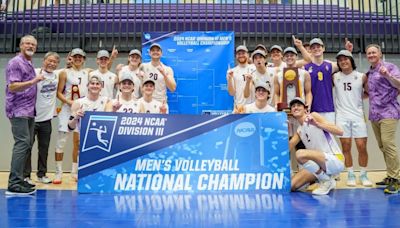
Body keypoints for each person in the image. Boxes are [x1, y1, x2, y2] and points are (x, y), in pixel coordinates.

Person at [5, 35, 43, 195]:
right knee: (22, 144)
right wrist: (34, 81)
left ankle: (20, 179)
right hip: (18, 110)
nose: (31, 46)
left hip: (28, 111)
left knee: (26, 144)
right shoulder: (15, 62)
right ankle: (14, 183)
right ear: (21, 45)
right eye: (27, 43)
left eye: (33, 44)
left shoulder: (28, 62)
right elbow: (12, 86)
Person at [289, 97, 344, 195]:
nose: (296, 107)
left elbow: (340, 131)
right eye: (293, 106)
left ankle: (326, 181)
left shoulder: (314, 116)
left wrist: (318, 124)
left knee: (300, 154)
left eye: (298, 105)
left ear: (305, 109)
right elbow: (287, 147)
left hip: (334, 160)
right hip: (318, 166)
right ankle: (325, 179)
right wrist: (284, 130)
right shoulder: (299, 130)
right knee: (291, 185)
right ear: (291, 113)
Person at [333, 50, 372, 187]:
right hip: (342, 116)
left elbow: (368, 93)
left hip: (357, 116)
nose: (343, 62)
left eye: (346, 59)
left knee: (361, 146)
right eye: (340, 60)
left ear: (351, 61)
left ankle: (363, 174)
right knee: (346, 146)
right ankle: (350, 174)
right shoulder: (335, 77)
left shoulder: (361, 76)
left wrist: (357, 101)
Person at [365, 44, 400, 194]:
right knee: (382, 146)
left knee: (388, 144)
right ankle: (390, 175)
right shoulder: (369, 72)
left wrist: (387, 75)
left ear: (380, 53)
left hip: (389, 113)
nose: (371, 55)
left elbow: (399, 84)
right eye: (369, 53)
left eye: (374, 52)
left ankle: (396, 179)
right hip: (374, 114)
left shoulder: (390, 67)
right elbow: (368, 93)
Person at [54, 48, 90, 184]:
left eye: (80, 57)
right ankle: (58, 173)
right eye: (75, 56)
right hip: (67, 110)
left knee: (78, 143)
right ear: (71, 58)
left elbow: (104, 69)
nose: (78, 59)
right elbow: (59, 92)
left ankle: (75, 172)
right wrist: (70, 102)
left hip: (81, 111)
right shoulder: (64, 73)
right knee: (61, 142)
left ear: (84, 59)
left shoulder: (88, 72)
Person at [24, 52, 60, 185]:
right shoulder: (34, 72)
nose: (51, 63)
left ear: (57, 64)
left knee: (44, 149)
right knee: (27, 148)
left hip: (46, 120)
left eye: (55, 62)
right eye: (49, 61)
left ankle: (41, 174)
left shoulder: (57, 75)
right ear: (44, 61)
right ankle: (26, 176)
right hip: (31, 118)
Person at [304, 38, 353, 123]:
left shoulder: (330, 66)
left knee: (329, 135)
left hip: (328, 108)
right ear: (310, 50)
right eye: (313, 47)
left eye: (318, 46)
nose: (316, 49)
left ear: (323, 48)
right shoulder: (305, 68)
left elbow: (344, 64)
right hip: (311, 109)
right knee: (313, 135)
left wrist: (348, 52)